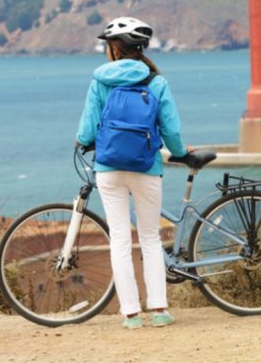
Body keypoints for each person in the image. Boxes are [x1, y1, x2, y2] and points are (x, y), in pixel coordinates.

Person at [76, 16, 190, 330]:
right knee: (151, 238)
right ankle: (159, 309)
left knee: (120, 241)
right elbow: (172, 131)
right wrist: (181, 154)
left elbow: (87, 129)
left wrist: (84, 142)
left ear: (115, 48)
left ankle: (130, 314)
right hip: (146, 168)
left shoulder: (100, 81)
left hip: (109, 170)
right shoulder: (157, 82)